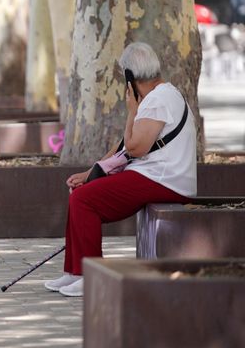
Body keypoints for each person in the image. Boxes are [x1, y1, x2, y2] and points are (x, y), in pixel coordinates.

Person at [44, 42, 197, 297]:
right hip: (158, 176)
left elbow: (135, 148)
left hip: (164, 179)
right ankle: (74, 271)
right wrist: (92, 172)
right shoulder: (159, 96)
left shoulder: (158, 100)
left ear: (129, 76)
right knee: (82, 191)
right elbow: (123, 146)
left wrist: (130, 112)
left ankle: (91, 276)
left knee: (84, 200)